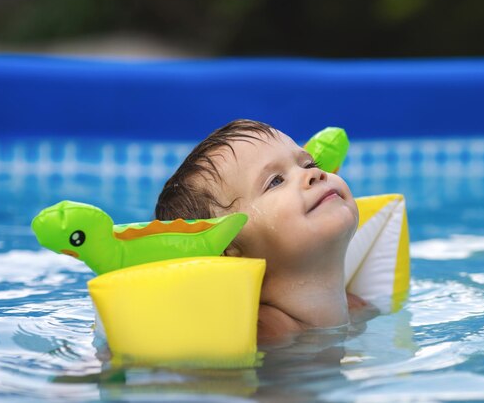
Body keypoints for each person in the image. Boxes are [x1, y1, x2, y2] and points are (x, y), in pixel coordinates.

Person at [155, 119, 372, 343]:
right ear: (229, 248)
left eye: (308, 164)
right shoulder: (262, 332)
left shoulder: (358, 307)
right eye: (275, 181)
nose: (314, 175)